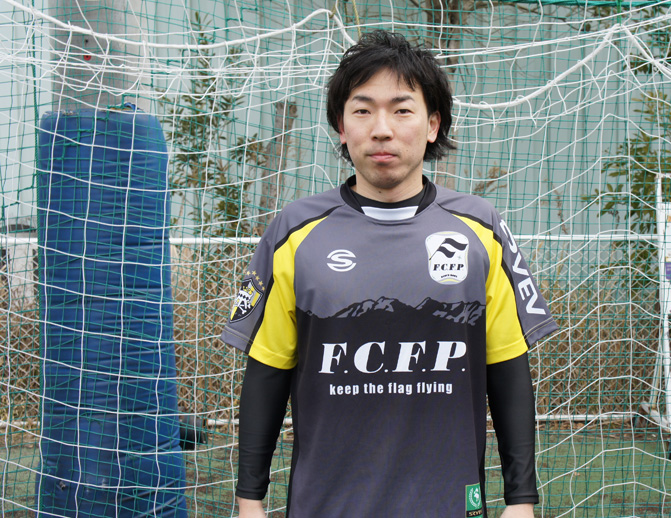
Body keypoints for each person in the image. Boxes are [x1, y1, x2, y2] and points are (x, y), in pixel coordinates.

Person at [221, 30, 558, 518]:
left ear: (432, 125)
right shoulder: (294, 231)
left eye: (402, 110)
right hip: (325, 507)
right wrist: (249, 499)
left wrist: (521, 499)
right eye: (363, 111)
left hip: (447, 505)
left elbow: (507, 367)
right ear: (341, 127)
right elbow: (267, 372)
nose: (382, 129)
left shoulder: (480, 229)